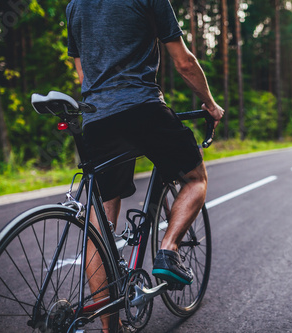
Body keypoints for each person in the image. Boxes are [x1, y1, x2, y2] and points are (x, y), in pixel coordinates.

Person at [66, 0, 224, 331]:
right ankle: (168, 250)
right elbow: (183, 62)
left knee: (100, 228)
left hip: (96, 118)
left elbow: (82, 72)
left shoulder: (74, 6)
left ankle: (112, 328)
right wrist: (209, 104)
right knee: (195, 178)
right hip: (142, 107)